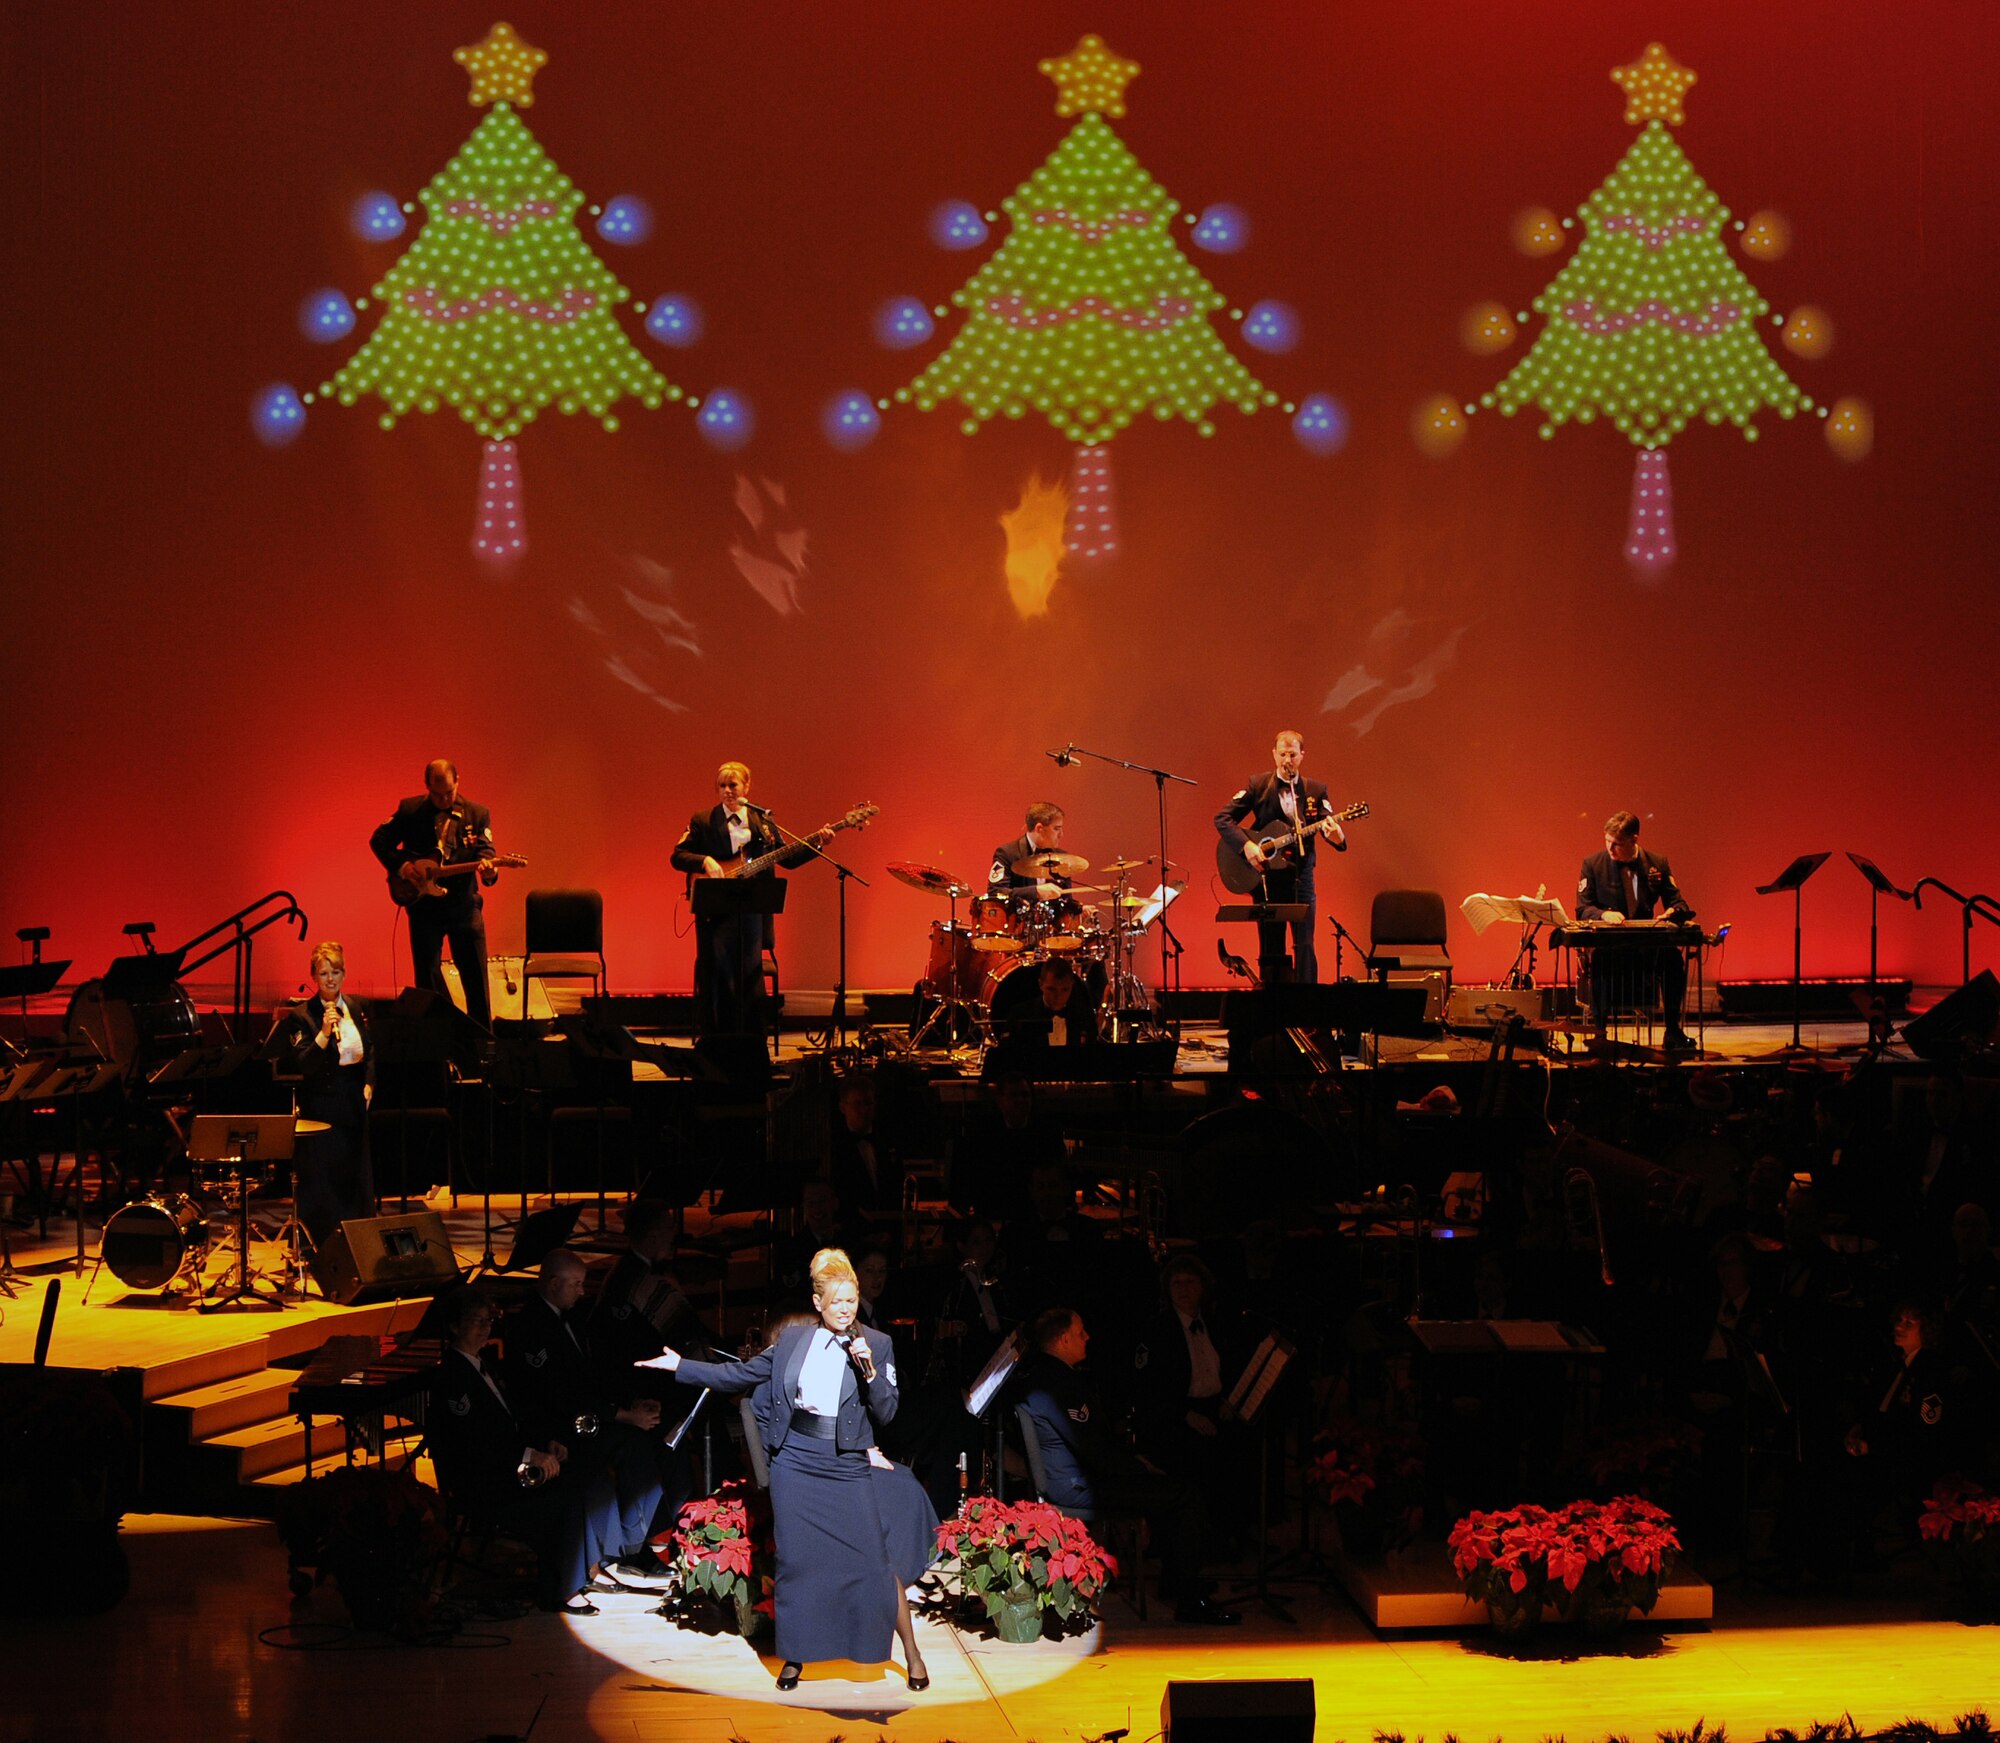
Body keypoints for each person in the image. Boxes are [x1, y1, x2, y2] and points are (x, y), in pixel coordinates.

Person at [635, 1249, 922, 1691]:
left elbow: (887, 1413)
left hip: (845, 1465)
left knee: (873, 1562)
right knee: (798, 1566)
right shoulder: (793, 1341)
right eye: (837, 1302)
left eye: (851, 1301)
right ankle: (796, 1655)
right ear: (818, 1303)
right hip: (798, 1465)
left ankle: (912, 1654)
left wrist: (869, 1371)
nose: (846, 1310)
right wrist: (681, 1367)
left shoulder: (878, 1344)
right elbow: (739, 1375)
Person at [1014, 1306, 1239, 1624]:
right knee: (1183, 1493)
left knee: (1169, 1486)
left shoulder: (1042, 1375)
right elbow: (1095, 1452)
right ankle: (1189, 1599)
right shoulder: (1061, 1384)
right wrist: (1140, 1469)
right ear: (1064, 1340)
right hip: (1079, 1487)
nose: (1087, 1338)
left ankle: (1177, 1579)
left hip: (1072, 1479)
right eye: (1081, 1333)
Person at [425, 1286, 626, 1615]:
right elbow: (471, 1441)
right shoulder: (450, 1376)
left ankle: (594, 1565)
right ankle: (561, 1587)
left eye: (487, 1321)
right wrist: (526, 1456)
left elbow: (515, 1417)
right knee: (566, 1495)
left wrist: (546, 1442)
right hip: (484, 1478)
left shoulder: (484, 1364)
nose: (485, 1328)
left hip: (505, 1464)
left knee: (592, 1475)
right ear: (454, 1327)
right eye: (476, 1322)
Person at [502, 1249, 684, 1576]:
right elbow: (557, 1393)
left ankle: (655, 1536)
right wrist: (624, 1416)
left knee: (664, 1437)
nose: (582, 1291)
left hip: (589, 1414)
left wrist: (632, 1403)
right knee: (632, 1444)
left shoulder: (573, 1316)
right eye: (576, 1284)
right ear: (554, 1283)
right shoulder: (527, 1326)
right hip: (559, 1426)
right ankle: (639, 1547)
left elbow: (596, 1376)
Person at [670, 761, 830, 1039]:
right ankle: (716, 1039)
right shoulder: (702, 820)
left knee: (749, 974)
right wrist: (705, 861)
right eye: (722, 786)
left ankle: (752, 1039)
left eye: (733, 785)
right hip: (715, 913)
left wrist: (818, 842)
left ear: (747, 787)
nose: (728, 791)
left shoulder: (762, 821)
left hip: (751, 911)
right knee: (717, 973)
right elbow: (677, 856)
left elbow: (788, 858)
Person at [369, 758, 499, 1030]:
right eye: (436, 794)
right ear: (427, 787)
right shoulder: (410, 810)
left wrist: (489, 872)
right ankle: (435, 1045)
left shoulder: (477, 813)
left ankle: (482, 1045)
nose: (443, 799)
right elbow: (379, 840)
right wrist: (403, 866)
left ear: (458, 782)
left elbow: (485, 852)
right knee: (427, 979)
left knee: (476, 978)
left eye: (449, 793)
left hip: (464, 907)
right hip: (425, 908)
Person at [1213, 730, 1346, 985]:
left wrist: (1337, 836)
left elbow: (1326, 826)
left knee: (1304, 943)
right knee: (1271, 946)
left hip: (1301, 879)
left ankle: (1306, 1010)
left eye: (1293, 754)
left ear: (1301, 756)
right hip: (1266, 879)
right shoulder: (1257, 785)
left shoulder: (1315, 790)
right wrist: (1247, 846)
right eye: (1283, 754)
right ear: (1274, 755)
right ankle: (1272, 1010)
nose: (1288, 760)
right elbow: (1223, 819)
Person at [268, 941, 374, 1247]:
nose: (331, 979)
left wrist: (370, 1082)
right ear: (314, 976)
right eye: (324, 973)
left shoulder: (356, 1006)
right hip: (323, 1103)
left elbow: (370, 1049)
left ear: (344, 974)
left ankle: (358, 1242)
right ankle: (322, 1245)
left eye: (336, 972)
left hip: (353, 1100)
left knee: (355, 1174)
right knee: (323, 1178)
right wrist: (324, 1034)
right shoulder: (303, 1016)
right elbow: (305, 1064)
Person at [1575, 809, 1696, 1051]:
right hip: (1613, 947)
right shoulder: (1593, 864)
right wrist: (1603, 915)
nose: (1610, 850)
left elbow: (1679, 902)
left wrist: (1672, 913)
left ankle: (1672, 1030)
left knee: (1672, 959)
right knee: (1600, 960)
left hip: (1646, 949)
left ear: (1634, 840)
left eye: (1617, 844)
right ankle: (1600, 1033)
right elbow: (1582, 908)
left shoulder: (1657, 863)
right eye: (1607, 842)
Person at [988, 801, 1075, 903]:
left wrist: (1080, 909)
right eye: (1056, 829)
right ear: (1039, 828)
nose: (1061, 835)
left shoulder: (1062, 857)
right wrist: (1035, 891)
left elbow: (1066, 900)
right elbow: (995, 892)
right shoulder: (1007, 853)